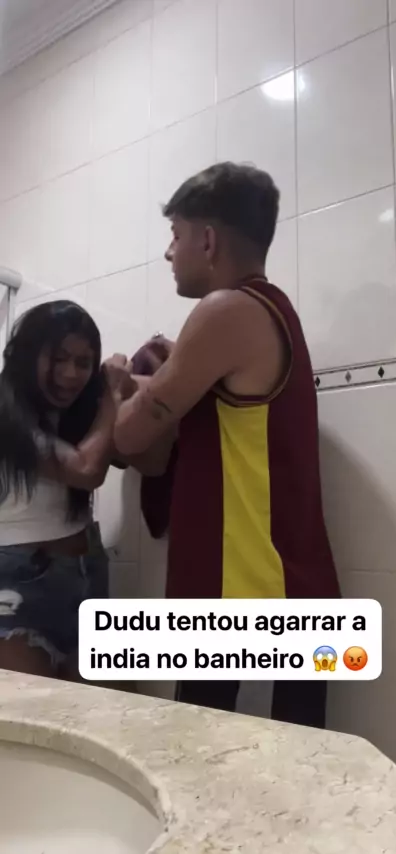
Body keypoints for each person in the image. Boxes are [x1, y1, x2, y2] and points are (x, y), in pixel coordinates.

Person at [114, 162, 340, 727]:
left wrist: (115, 387)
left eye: (176, 234)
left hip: (241, 593)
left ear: (208, 240)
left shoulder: (225, 310)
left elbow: (130, 435)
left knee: (196, 755)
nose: (169, 251)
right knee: (300, 765)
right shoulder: (271, 311)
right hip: (292, 589)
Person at [0, 300, 130, 680]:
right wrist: (112, 398)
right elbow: (86, 471)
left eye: (83, 362)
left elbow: (150, 461)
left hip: (85, 570)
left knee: (104, 708)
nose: (71, 374)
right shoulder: (5, 411)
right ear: (27, 354)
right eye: (58, 359)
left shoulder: (78, 415)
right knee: (36, 710)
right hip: (19, 583)